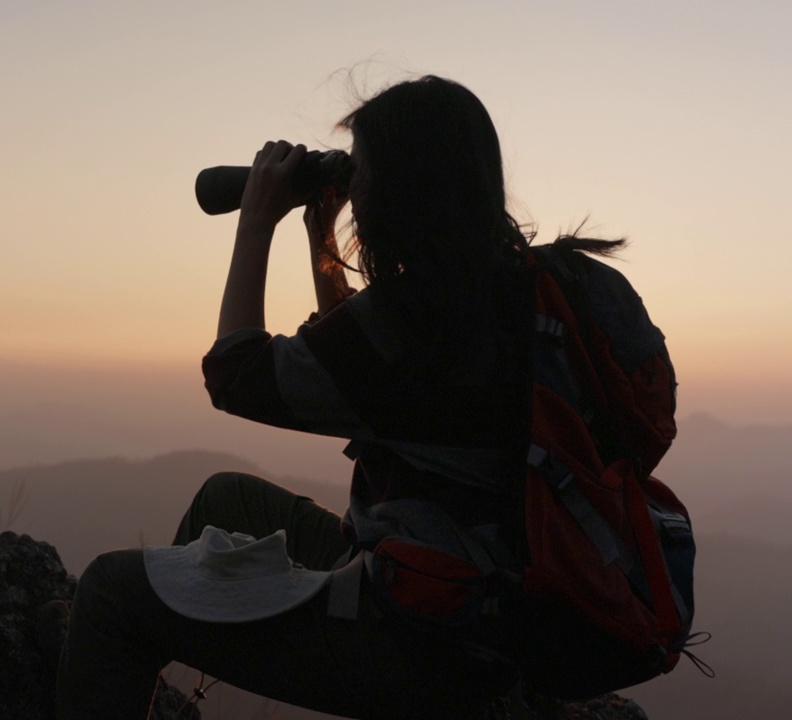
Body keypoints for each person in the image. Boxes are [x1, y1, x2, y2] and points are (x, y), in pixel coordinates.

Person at [54, 75, 615, 719]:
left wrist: (257, 220)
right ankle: (133, 676)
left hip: (428, 642)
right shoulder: (514, 292)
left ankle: (118, 660)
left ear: (401, 195)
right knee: (225, 499)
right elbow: (371, 385)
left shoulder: (421, 318)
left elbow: (236, 375)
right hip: (488, 593)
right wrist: (322, 238)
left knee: (107, 592)